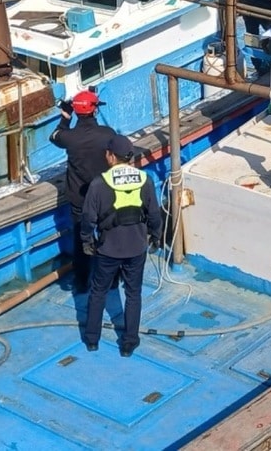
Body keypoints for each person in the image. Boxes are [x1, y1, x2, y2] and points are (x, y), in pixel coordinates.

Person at [80, 134, 163, 358]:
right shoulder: (145, 180)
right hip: (136, 247)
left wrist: (87, 241)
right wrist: (156, 235)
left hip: (108, 249)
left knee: (98, 292)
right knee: (133, 294)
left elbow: (88, 218)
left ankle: (92, 340)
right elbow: (154, 213)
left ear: (111, 157)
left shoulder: (98, 184)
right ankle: (129, 343)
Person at [50, 89, 116, 293]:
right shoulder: (107, 134)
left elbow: (55, 136)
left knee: (80, 239)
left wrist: (65, 117)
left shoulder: (69, 137)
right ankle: (112, 280)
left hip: (79, 198)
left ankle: (81, 282)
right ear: (94, 111)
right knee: (109, 235)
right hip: (104, 196)